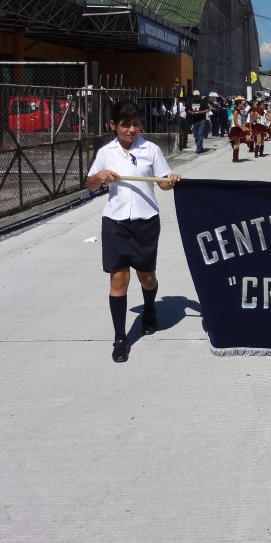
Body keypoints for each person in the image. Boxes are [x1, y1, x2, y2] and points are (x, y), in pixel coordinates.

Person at [85, 100, 181, 363]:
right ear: (113, 126)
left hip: (145, 220)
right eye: (125, 124)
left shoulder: (151, 150)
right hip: (115, 222)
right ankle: (120, 338)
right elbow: (91, 185)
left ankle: (149, 309)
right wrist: (101, 175)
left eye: (136, 123)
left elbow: (162, 184)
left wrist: (171, 180)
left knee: (146, 276)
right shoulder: (106, 152)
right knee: (118, 278)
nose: (132, 129)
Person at [228, 98, 250, 163]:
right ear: (239, 104)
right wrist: (242, 128)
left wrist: (244, 127)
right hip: (235, 128)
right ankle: (235, 158)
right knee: (237, 143)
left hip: (238, 127)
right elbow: (235, 122)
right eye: (241, 104)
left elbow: (240, 121)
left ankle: (235, 158)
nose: (243, 105)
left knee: (237, 143)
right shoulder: (235, 111)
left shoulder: (239, 111)